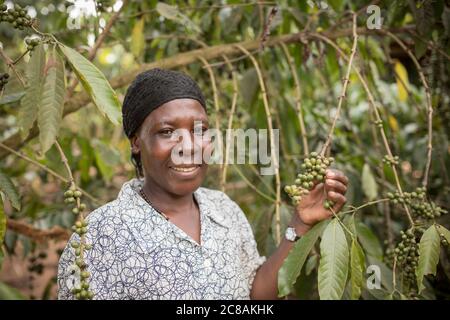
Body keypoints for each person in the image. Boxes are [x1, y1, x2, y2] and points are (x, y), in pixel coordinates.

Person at [57, 68, 348, 300]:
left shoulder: (224, 209)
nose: (189, 146)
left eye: (200, 130)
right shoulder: (99, 236)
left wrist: (299, 223)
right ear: (136, 142)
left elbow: (255, 292)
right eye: (167, 131)